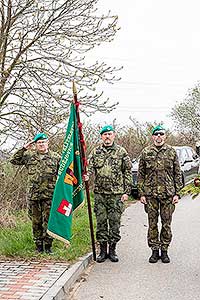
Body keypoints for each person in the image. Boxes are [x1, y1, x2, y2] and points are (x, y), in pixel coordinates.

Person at [85, 125, 132, 263]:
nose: (107, 136)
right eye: (104, 134)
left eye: (109, 134)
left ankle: (112, 250)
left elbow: (127, 172)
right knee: (101, 223)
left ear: (114, 135)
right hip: (100, 194)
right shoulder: (95, 152)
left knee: (114, 223)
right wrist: (87, 175)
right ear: (101, 137)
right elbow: (89, 168)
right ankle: (102, 250)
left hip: (116, 194)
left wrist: (126, 192)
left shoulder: (121, 152)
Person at [137, 125, 183, 263]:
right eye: (156, 134)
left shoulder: (171, 152)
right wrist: (141, 193)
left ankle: (164, 251)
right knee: (152, 224)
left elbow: (177, 173)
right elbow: (141, 175)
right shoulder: (146, 152)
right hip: (150, 195)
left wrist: (177, 193)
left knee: (166, 224)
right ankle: (154, 251)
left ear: (165, 136)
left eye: (161, 134)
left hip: (168, 195)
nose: (158, 137)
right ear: (152, 137)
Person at [10, 133, 60, 254]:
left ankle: (48, 246)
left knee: (48, 221)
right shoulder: (29, 156)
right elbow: (14, 160)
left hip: (49, 195)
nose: (41, 144)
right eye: (39, 143)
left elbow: (64, 173)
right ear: (35, 144)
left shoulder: (56, 157)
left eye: (43, 142)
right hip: (34, 195)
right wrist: (24, 148)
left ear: (48, 143)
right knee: (36, 221)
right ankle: (38, 246)